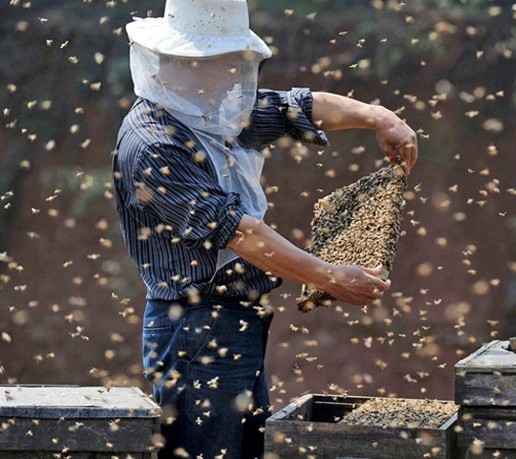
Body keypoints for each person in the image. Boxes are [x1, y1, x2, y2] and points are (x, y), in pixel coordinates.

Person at [112, 0, 418, 458]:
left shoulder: (214, 107)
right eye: (213, 62)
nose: (225, 74)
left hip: (235, 321)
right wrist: (329, 275)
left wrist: (380, 116)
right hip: (195, 327)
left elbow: (297, 107)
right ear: (176, 61)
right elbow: (239, 233)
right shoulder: (154, 143)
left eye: (228, 62)